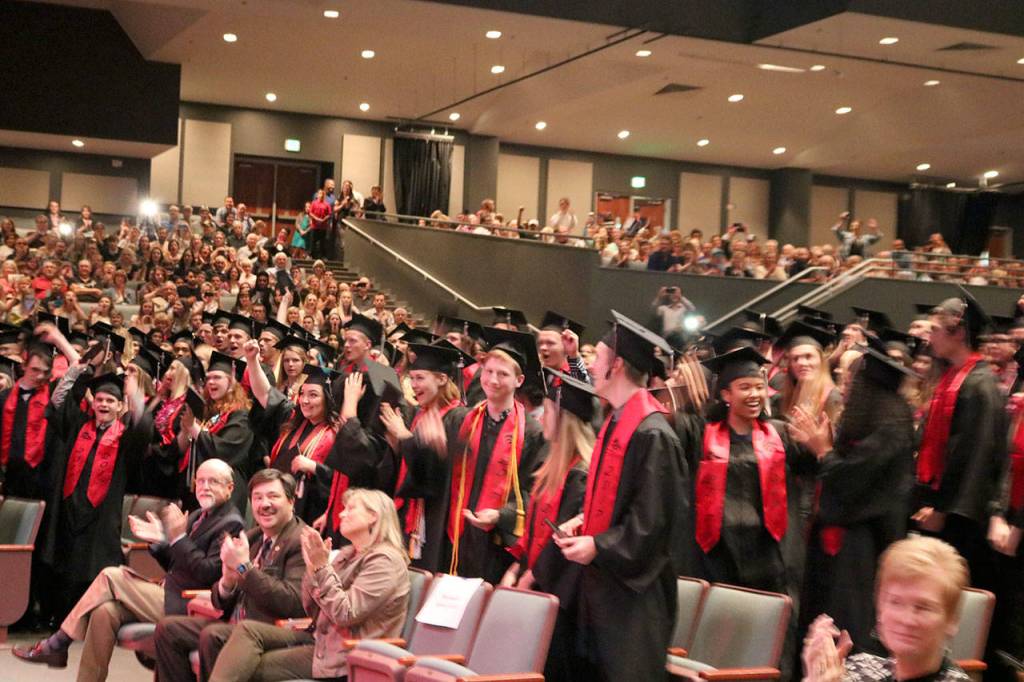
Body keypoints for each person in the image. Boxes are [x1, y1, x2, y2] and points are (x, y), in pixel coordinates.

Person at [12, 459, 243, 678]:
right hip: (169, 592)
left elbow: (208, 574)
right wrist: (161, 543)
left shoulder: (231, 523)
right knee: (105, 612)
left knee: (111, 575)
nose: (204, 487)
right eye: (200, 481)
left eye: (213, 481)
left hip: (190, 605)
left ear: (230, 488)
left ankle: (58, 643)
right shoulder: (198, 516)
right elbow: (177, 564)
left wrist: (179, 538)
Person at [554, 311, 689, 682]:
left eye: (596, 358)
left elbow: (652, 524)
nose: (592, 367)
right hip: (604, 594)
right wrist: (584, 521)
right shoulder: (616, 422)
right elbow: (619, 503)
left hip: (635, 602)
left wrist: (598, 545)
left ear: (615, 365)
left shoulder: (653, 434)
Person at [205, 489, 410, 682]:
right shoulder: (348, 554)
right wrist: (312, 571)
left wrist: (321, 567)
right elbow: (311, 609)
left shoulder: (386, 560)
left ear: (373, 516)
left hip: (346, 652)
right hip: (320, 638)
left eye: (350, 509)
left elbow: (345, 614)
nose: (341, 515)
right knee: (245, 631)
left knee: (244, 665)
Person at [796, 340, 916, 654]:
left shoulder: (890, 429)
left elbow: (852, 481)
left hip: (862, 550)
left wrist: (823, 451)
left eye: (851, 383)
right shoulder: (882, 421)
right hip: (847, 544)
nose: (845, 390)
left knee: (848, 629)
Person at [154, 469, 307, 682]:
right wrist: (227, 582)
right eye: (257, 498)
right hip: (236, 623)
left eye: (273, 496)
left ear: (291, 502)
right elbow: (220, 601)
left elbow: (291, 602)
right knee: (168, 629)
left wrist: (244, 568)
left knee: (213, 636)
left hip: (269, 631)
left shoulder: (301, 541)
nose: (264, 504)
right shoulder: (252, 537)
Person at [45, 355, 155, 616]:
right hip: (70, 510)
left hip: (102, 516)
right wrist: (74, 371)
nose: (104, 404)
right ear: (93, 404)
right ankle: (64, 619)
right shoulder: (79, 427)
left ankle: (93, 618)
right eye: (100, 400)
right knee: (66, 566)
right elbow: (56, 405)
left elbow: (143, 428)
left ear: (120, 407)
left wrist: (135, 394)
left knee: (96, 567)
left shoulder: (125, 438)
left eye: (110, 401)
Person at [503, 368, 593, 682]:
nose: (542, 418)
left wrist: (528, 579)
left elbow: (559, 541)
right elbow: (534, 529)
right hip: (536, 588)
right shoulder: (552, 467)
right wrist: (515, 569)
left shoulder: (581, 475)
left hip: (559, 600)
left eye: (550, 412)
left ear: (565, 420)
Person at [913, 293, 1005, 594]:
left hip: (964, 520)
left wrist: (943, 510)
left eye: (935, 329)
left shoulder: (979, 385)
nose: (930, 337)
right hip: (944, 507)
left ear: (959, 332)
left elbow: (976, 458)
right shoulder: (954, 378)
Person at [801, 536, 970, 682]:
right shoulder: (858, 669)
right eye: (895, 602)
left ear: (951, 621)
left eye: (923, 607)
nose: (906, 619)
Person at [379, 342, 466, 571]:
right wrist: (398, 444)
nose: (414, 385)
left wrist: (406, 438)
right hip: (409, 515)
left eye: (420, 378)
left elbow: (436, 476)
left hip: (435, 518)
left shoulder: (458, 417)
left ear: (441, 379)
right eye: (412, 378)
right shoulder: (420, 414)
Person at [246, 339, 338, 526]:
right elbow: (264, 393)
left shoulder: (337, 434)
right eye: (302, 394)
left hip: (309, 513)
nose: (304, 400)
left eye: (313, 395)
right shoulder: (292, 418)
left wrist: (315, 467)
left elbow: (342, 481)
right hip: (276, 505)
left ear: (327, 400)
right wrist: (252, 360)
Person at [178, 351, 254, 513]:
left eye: (217, 377)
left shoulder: (241, 416)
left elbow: (224, 452)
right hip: (201, 488)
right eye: (208, 378)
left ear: (232, 383)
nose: (210, 382)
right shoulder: (209, 414)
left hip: (226, 492)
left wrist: (194, 428)